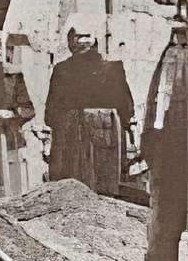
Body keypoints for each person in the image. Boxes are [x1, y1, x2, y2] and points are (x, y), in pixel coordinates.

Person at [139, 13, 188, 261]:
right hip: (169, 165)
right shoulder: (170, 55)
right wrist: (150, 155)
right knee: (158, 249)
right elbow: (155, 110)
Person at [43, 24, 135, 196]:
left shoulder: (112, 68)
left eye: (85, 36)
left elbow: (50, 113)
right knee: (99, 187)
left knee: (78, 185)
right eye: (78, 37)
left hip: (86, 135)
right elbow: (127, 108)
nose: (82, 41)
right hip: (88, 133)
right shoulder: (62, 70)